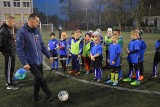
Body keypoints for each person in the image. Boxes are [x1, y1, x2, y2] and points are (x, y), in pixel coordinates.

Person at [16, 14, 54, 102]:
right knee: (40, 78)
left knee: (38, 79)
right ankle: (49, 94)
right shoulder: (22, 32)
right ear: (31, 21)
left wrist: (49, 56)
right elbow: (19, 49)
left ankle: (35, 97)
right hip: (30, 62)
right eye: (37, 21)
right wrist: (24, 62)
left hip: (39, 60)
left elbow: (42, 45)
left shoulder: (36, 31)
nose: (38, 22)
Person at [0, 16, 19, 90]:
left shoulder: (8, 28)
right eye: (13, 21)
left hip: (11, 51)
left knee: (11, 67)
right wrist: (2, 51)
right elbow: (1, 43)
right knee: (8, 68)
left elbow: (9, 39)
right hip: (8, 52)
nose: (14, 23)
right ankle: (9, 84)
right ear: (9, 21)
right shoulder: (4, 30)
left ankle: (10, 80)